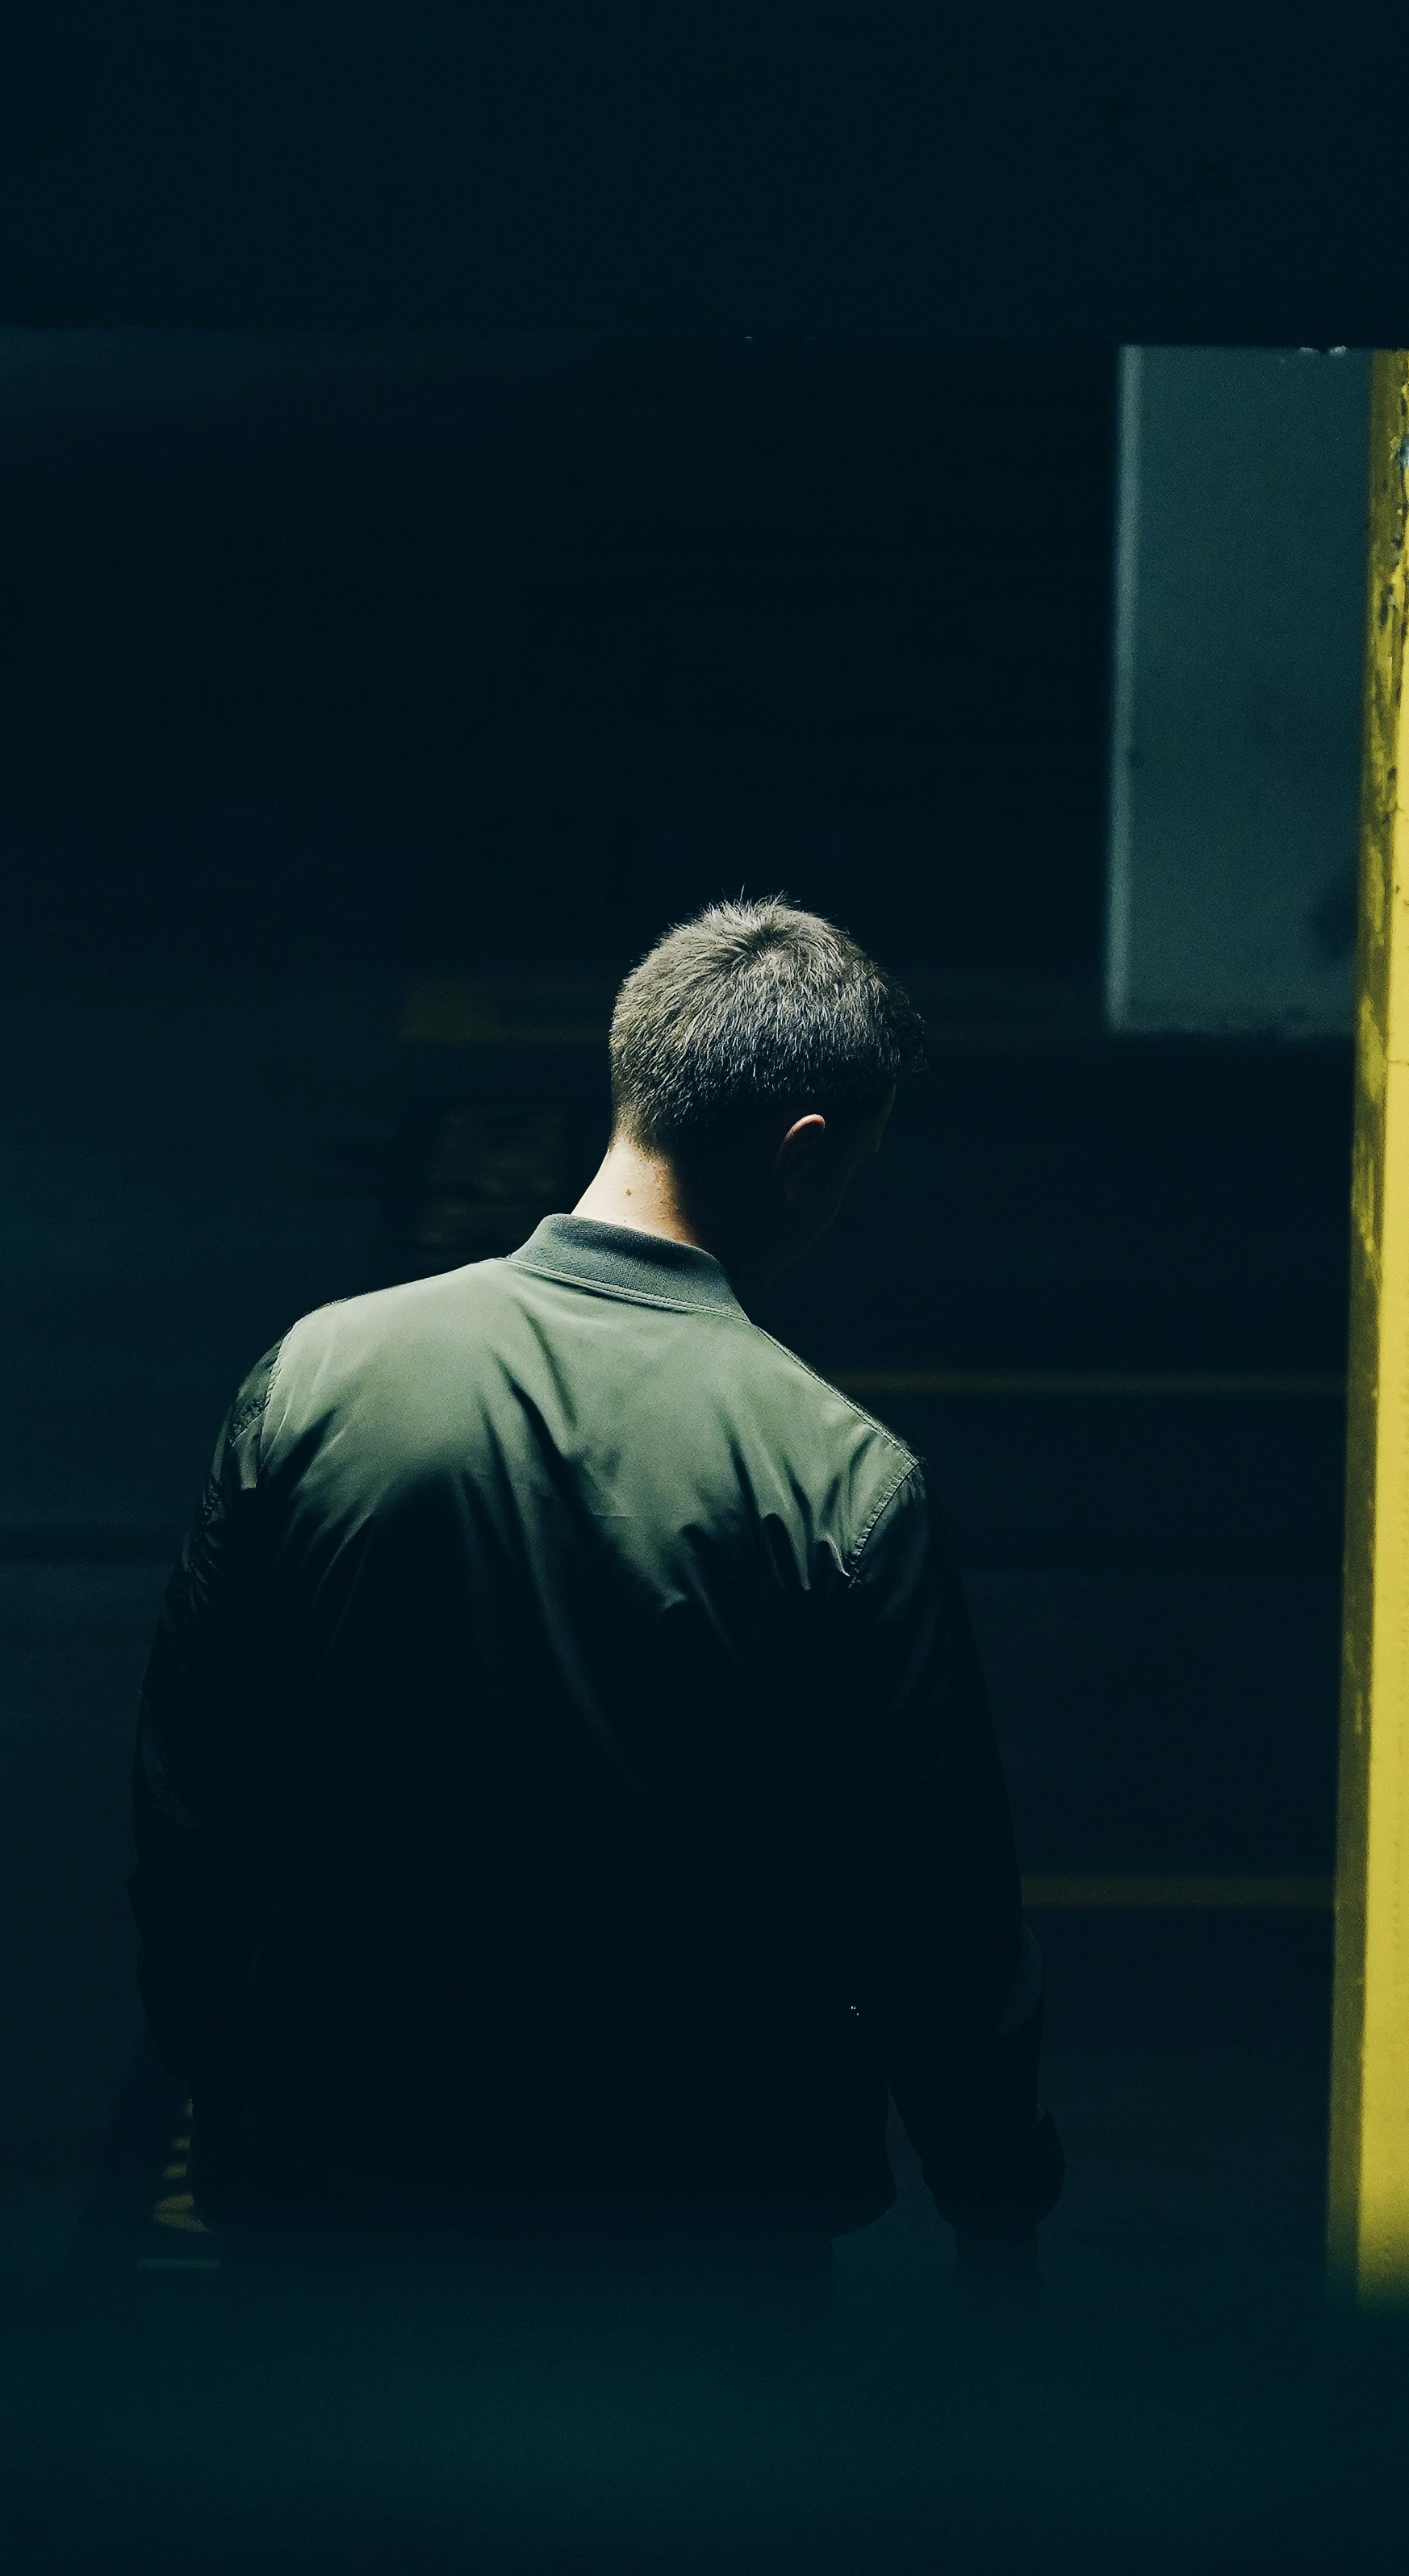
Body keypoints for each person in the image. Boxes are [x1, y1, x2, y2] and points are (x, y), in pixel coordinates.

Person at [130, 897, 1062, 2280]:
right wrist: (994, 2194)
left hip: (339, 2186)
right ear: (805, 1156)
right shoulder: (841, 1483)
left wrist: (222, 2085)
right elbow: (933, 1910)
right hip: (688, 2231)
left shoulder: (318, 1375)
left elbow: (199, 1789)